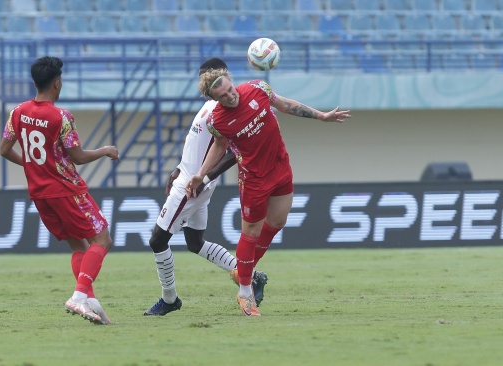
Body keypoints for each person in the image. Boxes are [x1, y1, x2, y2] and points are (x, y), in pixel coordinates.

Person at [187, 69, 352, 316]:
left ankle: (242, 270)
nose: (230, 96)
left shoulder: (258, 88)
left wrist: (321, 116)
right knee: (250, 232)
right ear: (216, 100)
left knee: (276, 222)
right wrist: (201, 173)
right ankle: (245, 294)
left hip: (280, 167)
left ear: (232, 83)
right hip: (254, 179)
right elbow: (220, 147)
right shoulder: (217, 121)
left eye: (230, 90)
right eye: (223, 96)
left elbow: (285, 105)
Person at [0, 56, 120, 325]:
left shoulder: (17, 112)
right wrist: (105, 151)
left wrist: (32, 165)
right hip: (67, 190)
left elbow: (4, 150)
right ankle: (78, 296)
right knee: (103, 241)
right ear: (57, 83)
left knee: (78, 245)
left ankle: (89, 299)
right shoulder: (62, 117)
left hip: (40, 195)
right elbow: (77, 157)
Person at [144, 58, 268, 316]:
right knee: (195, 242)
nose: (207, 83)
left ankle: (170, 299)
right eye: (204, 80)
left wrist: (206, 178)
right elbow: (198, 144)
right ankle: (251, 276)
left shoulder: (225, 109)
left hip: (192, 186)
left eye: (211, 78)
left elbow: (233, 152)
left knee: (157, 240)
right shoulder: (209, 106)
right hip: (189, 178)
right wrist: (179, 167)